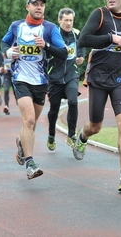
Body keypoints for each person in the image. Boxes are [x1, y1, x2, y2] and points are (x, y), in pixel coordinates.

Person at [76, 0, 121, 192]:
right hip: (98, 76)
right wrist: (110, 38)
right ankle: (82, 136)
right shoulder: (100, 14)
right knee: (95, 125)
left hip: (120, 77)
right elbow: (84, 39)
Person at [1, 0, 67, 180]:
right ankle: (30, 164)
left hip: (41, 81)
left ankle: (22, 143)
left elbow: (63, 53)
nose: (39, 7)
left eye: (42, 5)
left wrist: (46, 46)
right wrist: (7, 51)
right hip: (21, 78)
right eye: (35, 4)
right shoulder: (16, 26)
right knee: (29, 120)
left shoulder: (50, 29)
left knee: (32, 123)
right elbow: (4, 42)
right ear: (27, 6)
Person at [46, 8, 86, 150]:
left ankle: (71, 135)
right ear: (59, 20)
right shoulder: (52, 34)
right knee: (54, 109)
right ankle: (51, 135)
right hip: (55, 77)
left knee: (73, 102)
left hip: (71, 75)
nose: (69, 23)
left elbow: (81, 50)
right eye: (66, 20)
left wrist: (81, 58)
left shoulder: (76, 34)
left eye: (71, 20)